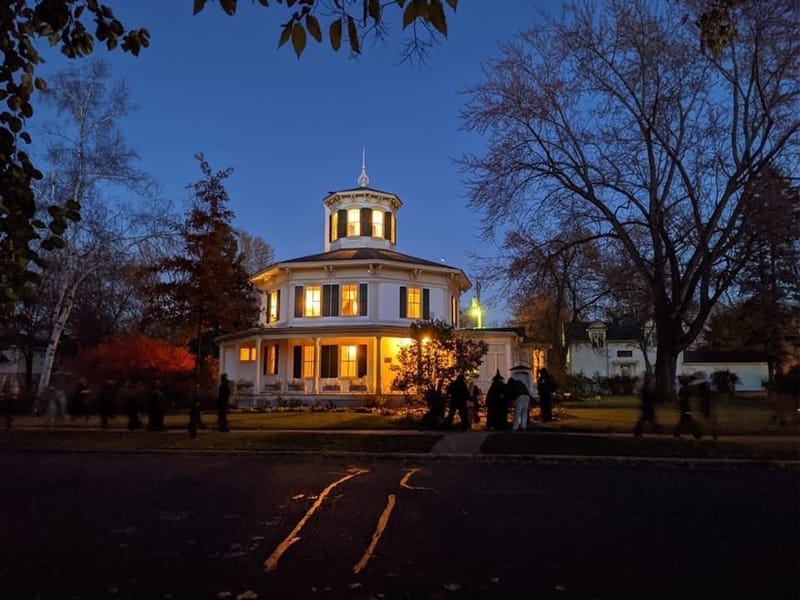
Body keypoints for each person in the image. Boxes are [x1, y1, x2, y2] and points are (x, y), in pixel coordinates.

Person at [633, 370, 661, 436]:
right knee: (648, 419)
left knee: (645, 419)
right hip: (648, 406)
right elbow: (648, 396)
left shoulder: (646, 386)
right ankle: (659, 429)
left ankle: (637, 431)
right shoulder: (646, 387)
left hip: (647, 406)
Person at [508, 365, 533, 432]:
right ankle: (523, 426)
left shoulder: (512, 379)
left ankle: (515, 427)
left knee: (518, 412)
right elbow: (530, 386)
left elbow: (509, 390)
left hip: (519, 396)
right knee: (524, 411)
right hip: (526, 395)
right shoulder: (527, 377)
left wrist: (510, 400)